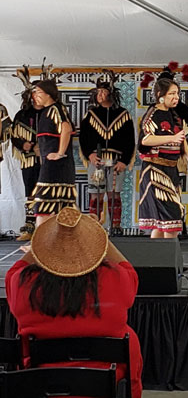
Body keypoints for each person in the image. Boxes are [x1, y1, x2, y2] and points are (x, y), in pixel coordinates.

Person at [5, 207, 143, 398]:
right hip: (104, 385)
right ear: (92, 248)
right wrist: (99, 235)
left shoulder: (23, 283)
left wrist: (43, 239)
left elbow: (15, 270)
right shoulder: (114, 278)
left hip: (39, 384)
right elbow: (129, 271)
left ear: (44, 248)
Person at [138, 77, 188, 238]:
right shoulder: (152, 115)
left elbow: (181, 137)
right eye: (172, 94)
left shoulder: (174, 115)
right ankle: (169, 260)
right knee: (171, 219)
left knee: (163, 222)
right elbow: (145, 140)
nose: (176, 97)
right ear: (160, 95)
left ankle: (157, 261)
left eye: (177, 94)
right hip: (154, 170)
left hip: (170, 169)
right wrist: (171, 139)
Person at [79, 73, 135, 231]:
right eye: (97, 92)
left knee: (114, 194)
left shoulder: (123, 115)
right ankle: (94, 227)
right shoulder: (91, 115)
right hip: (96, 160)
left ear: (112, 93)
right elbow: (84, 138)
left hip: (116, 160)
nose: (99, 95)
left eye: (103, 92)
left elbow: (130, 140)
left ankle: (116, 227)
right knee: (95, 195)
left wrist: (124, 160)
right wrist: (89, 154)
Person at [28, 80, 77, 228]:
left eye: (38, 92)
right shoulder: (48, 111)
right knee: (60, 204)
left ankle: (39, 242)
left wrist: (59, 153)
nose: (35, 96)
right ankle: (64, 242)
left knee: (44, 201)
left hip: (56, 165)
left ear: (48, 94)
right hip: (54, 165)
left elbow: (66, 128)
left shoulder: (56, 109)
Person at [11, 67, 43, 241]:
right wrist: (24, 145)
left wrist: (44, 148)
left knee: (49, 193)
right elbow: (13, 137)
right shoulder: (22, 115)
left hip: (48, 161)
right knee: (31, 192)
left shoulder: (51, 113)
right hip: (29, 160)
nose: (37, 96)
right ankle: (30, 227)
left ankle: (47, 227)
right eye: (35, 93)